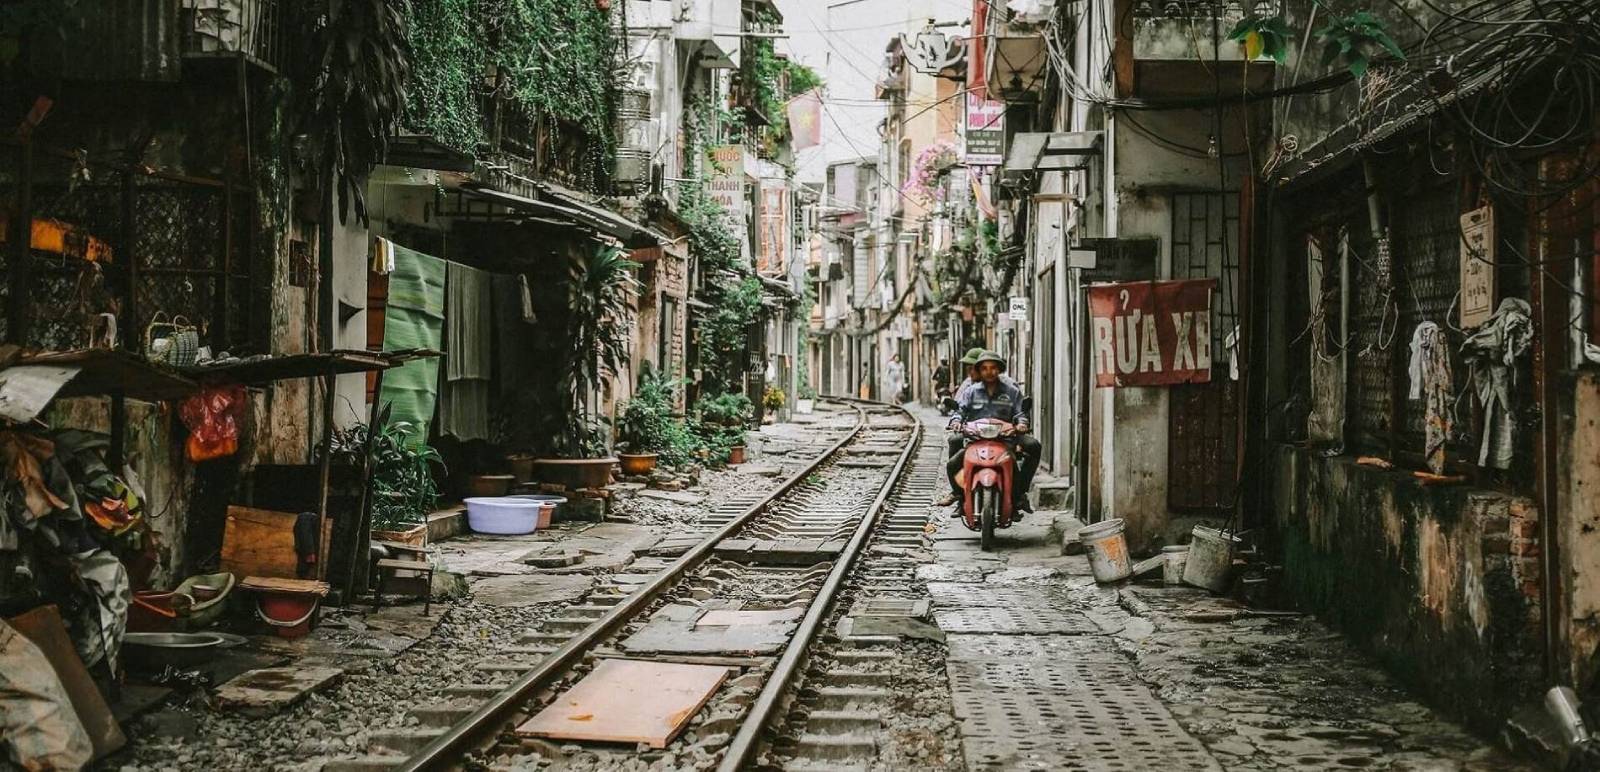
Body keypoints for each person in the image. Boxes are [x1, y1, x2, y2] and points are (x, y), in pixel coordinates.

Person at [941, 351, 1040, 517]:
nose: (989, 372)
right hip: (976, 440)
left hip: (1005, 440)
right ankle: (960, 497)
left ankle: (1019, 496)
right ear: (979, 370)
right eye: (985, 368)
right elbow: (960, 410)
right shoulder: (971, 391)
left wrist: (1022, 424)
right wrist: (956, 422)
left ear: (999, 369)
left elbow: (1020, 413)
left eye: (993, 368)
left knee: (1033, 447)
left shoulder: (1012, 391)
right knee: (952, 463)